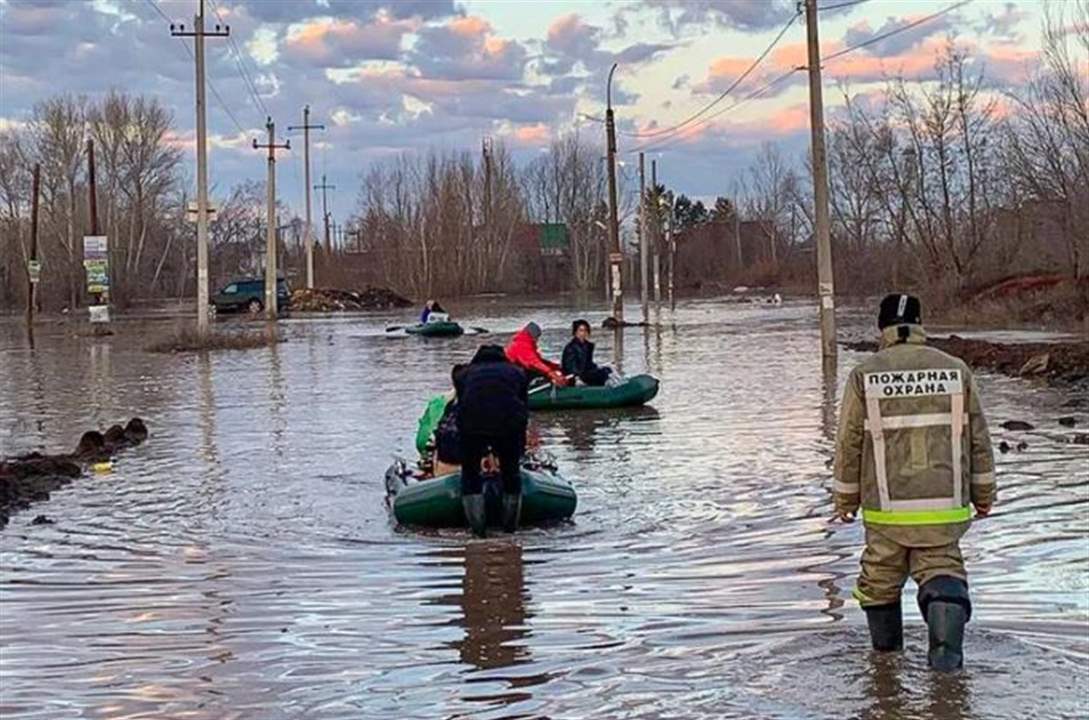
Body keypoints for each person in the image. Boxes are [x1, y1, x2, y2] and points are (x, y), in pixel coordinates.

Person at [834, 294, 996, 672]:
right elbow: (979, 440)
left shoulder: (865, 375)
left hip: (886, 513)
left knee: (879, 584)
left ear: (882, 328)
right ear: (921, 326)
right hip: (944, 509)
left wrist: (845, 500)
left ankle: (886, 673)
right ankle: (947, 671)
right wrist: (984, 495)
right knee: (945, 575)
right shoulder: (956, 370)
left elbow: (848, 443)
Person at [455, 345, 530, 537]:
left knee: (470, 474)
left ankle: (478, 533)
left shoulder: (464, 374)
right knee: (511, 473)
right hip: (509, 424)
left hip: (473, 426)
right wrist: (521, 444)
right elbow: (524, 406)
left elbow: (462, 402)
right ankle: (510, 531)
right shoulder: (517, 373)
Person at [505, 322, 567, 386]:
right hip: (514, 375)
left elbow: (538, 360)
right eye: (537, 337)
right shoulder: (521, 344)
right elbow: (534, 363)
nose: (537, 340)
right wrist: (551, 373)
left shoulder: (525, 342)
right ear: (533, 336)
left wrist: (555, 366)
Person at [562, 319, 614, 387]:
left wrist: (597, 367)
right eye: (580, 330)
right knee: (601, 373)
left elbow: (589, 363)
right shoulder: (570, 348)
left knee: (606, 370)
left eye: (585, 330)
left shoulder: (588, 346)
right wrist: (578, 375)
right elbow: (570, 367)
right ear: (575, 332)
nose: (583, 333)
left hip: (586, 373)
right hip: (577, 376)